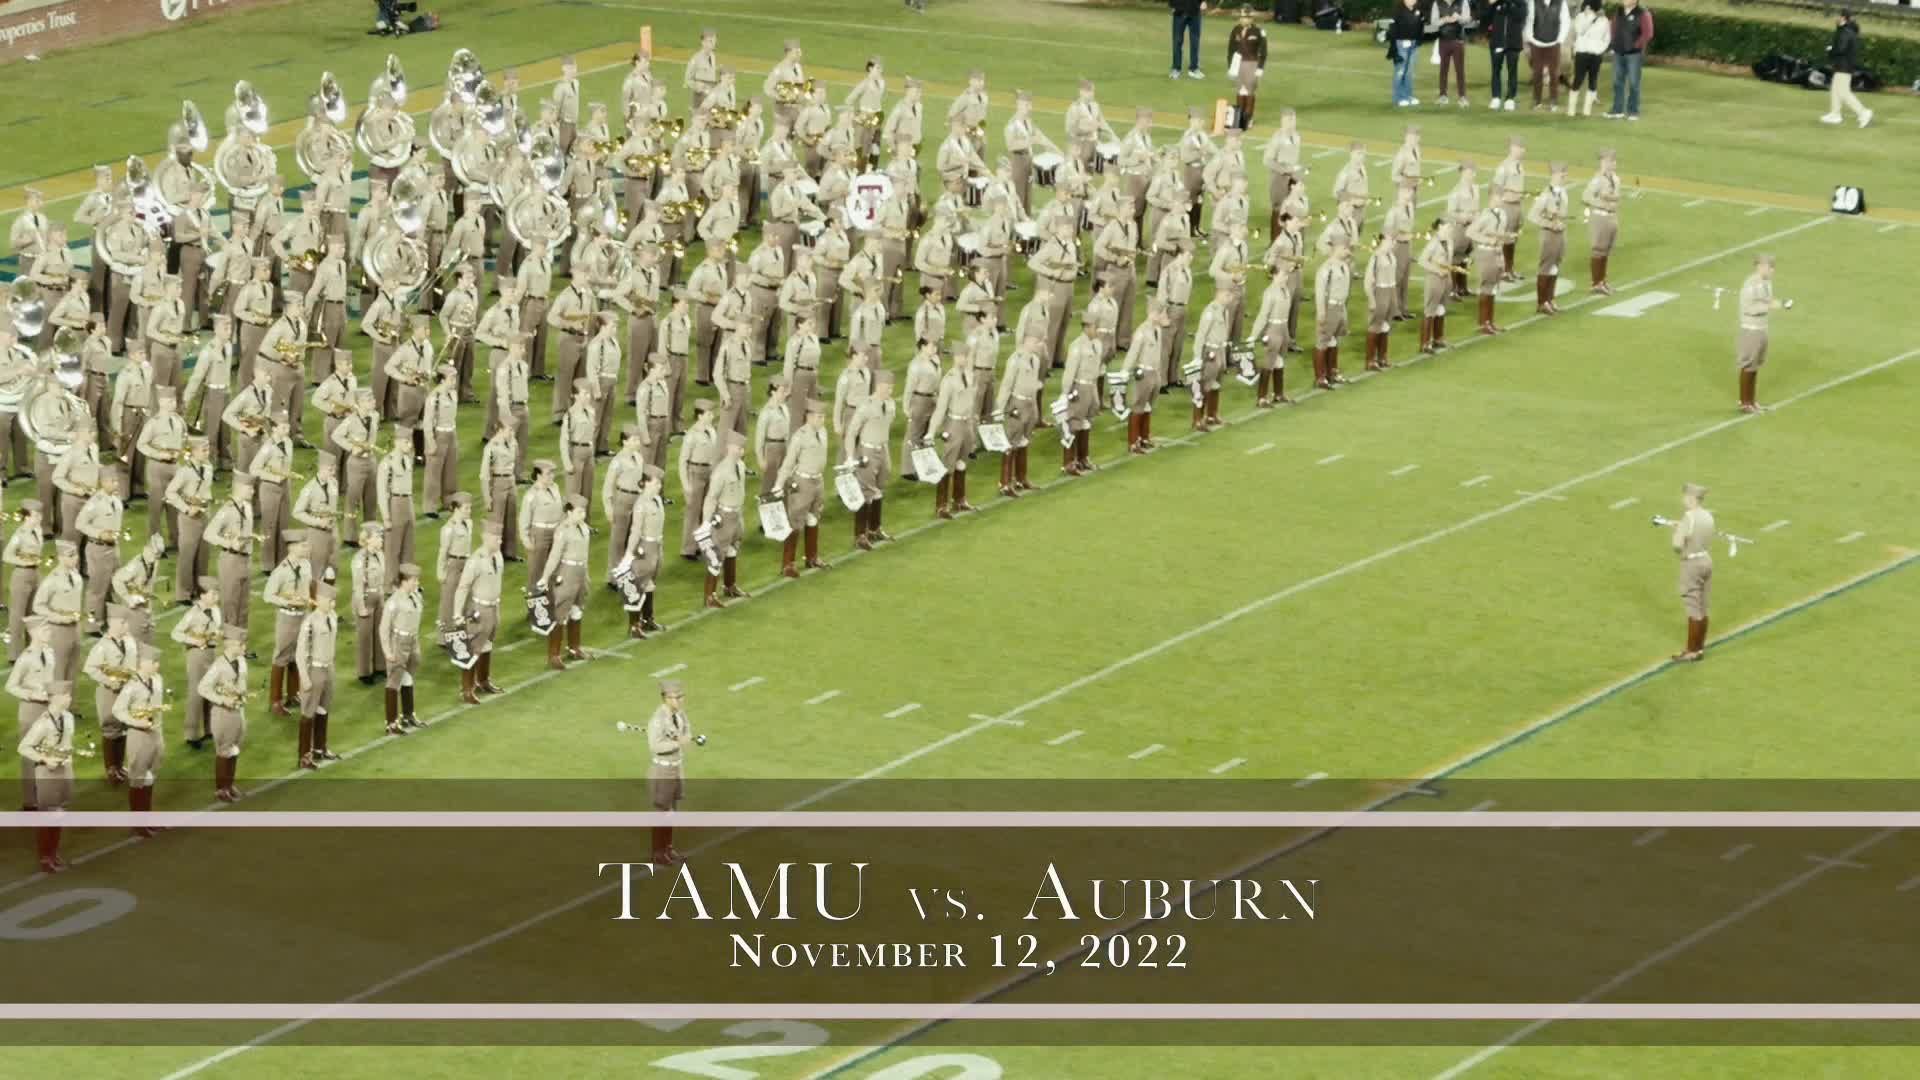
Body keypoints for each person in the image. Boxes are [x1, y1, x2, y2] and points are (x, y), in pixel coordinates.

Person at [18, 681, 77, 872]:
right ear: (55, 698)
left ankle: (53, 853)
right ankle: (45, 858)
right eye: (66, 695)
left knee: (60, 812)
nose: (69, 698)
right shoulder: (42, 723)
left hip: (65, 770)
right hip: (47, 772)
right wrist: (43, 759)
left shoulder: (68, 717)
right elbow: (24, 747)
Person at [774, 401, 832, 576]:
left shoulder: (822, 432)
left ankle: (812, 557)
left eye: (823, 417)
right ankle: (788, 564)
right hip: (803, 481)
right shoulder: (800, 436)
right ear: (809, 417)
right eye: (819, 417)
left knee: (814, 518)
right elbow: (788, 462)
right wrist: (778, 484)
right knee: (795, 522)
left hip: (817, 481)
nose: (822, 420)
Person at [116, 646, 166, 834]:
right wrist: (136, 721)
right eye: (154, 662)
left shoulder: (158, 680)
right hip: (139, 736)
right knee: (138, 779)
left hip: (156, 734)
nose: (157, 665)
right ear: (143, 663)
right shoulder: (131, 687)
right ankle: (138, 824)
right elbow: (118, 710)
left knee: (150, 777)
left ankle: (147, 817)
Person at [646, 679, 694, 864]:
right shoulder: (658, 720)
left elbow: (687, 728)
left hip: (676, 768)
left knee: (672, 811)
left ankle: (668, 848)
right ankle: (658, 852)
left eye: (682, 696)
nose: (680, 700)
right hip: (663, 770)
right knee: (662, 812)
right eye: (677, 697)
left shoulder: (679, 713)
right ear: (666, 698)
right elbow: (655, 746)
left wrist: (686, 736)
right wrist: (677, 742)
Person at [171, 577, 222, 750]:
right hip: (197, 655)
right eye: (213, 594)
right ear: (202, 596)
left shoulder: (214, 610)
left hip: (212, 652)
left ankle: (209, 729)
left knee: (211, 691)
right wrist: (193, 640)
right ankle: (191, 734)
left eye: (217, 593)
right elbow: (176, 633)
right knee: (196, 693)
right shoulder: (193, 614)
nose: (217, 597)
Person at [294, 581, 340, 769]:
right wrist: (304, 677)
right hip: (314, 670)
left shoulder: (333, 616)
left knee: (324, 709)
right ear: (319, 600)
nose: (333, 604)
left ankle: (320, 748)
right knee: (308, 713)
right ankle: (304, 755)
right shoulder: (310, 623)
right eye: (330, 600)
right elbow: (299, 652)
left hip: (328, 669)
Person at [201, 627, 249, 801]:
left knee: (235, 748)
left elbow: (242, 683)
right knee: (224, 750)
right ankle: (221, 789)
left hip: (238, 710)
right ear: (231, 645)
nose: (245, 647)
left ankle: (229, 785)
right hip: (223, 713)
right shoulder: (218, 666)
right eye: (242, 644)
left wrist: (241, 695)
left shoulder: (241, 661)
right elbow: (203, 688)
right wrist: (222, 700)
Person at [1736, 254, 1787, 414]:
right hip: (1751, 329)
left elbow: (1766, 301)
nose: (1771, 270)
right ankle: (1744, 403)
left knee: (1756, 364)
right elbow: (1749, 308)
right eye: (1768, 267)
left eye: (1772, 267)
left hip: (1762, 328)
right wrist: (1769, 307)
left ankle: (1751, 401)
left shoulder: (1766, 283)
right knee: (1748, 364)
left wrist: (1775, 304)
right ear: (1759, 267)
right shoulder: (1751, 284)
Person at [1669, 483, 1714, 662]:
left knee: (1693, 606)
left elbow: (1677, 546)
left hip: (1692, 563)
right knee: (1703, 606)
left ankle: (1691, 651)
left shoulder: (1689, 517)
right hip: (1706, 560)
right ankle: (1700, 648)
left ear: (1691, 498)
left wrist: (1677, 532)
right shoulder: (1708, 515)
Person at [380, 564, 426, 733]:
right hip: (399, 641)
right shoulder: (394, 602)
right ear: (404, 581)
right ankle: (391, 722)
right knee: (394, 680)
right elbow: (384, 628)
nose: (416, 582)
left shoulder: (415, 596)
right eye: (414, 580)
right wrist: (387, 651)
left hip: (413, 640)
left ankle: (408, 715)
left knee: (408, 677)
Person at [1822, 10, 1872, 128]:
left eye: (1838, 16)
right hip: (1844, 65)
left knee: (1843, 92)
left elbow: (1840, 49)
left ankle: (1863, 112)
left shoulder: (1845, 32)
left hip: (1844, 66)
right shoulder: (1848, 31)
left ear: (1843, 18)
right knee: (1835, 89)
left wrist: (1830, 50)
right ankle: (1835, 114)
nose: (1836, 18)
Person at [1583, 148, 1621, 294]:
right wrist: (1601, 203)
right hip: (1600, 216)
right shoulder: (1598, 179)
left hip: (1611, 216)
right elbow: (1586, 196)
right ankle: (1596, 283)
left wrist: (1612, 202)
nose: (1608, 163)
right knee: (1599, 249)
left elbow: (1615, 197)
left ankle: (1602, 281)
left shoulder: (1615, 179)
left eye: (1610, 160)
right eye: (1605, 160)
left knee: (1607, 250)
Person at [1607, 0, 1652, 120]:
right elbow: (1613, 28)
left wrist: (1637, 45)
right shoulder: (1619, 11)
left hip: (1634, 55)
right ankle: (1617, 110)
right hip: (1618, 52)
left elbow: (1648, 33)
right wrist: (1613, 44)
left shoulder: (1643, 13)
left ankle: (1633, 112)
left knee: (1633, 83)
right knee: (1617, 83)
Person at [1525, 0, 1571, 111]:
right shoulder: (1533, 2)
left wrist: (1560, 40)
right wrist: (1531, 39)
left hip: (1554, 43)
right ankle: (1537, 101)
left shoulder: (1561, 3)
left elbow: (1565, 21)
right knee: (1537, 73)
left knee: (1554, 74)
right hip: (1536, 43)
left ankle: (1553, 101)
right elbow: (1529, 21)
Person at [1225, 9, 1269, 128]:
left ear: (1251, 18)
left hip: (1252, 63)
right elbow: (1231, 49)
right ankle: (1239, 118)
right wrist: (1230, 66)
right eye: (1241, 17)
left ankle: (1248, 118)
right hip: (1238, 63)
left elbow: (1263, 51)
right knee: (1240, 91)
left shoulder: (1259, 31)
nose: (1242, 19)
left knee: (1249, 91)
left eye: (1245, 17)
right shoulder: (1236, 30)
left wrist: (1260, 68)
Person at [1483, 0, 1526, 111]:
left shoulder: (1519, 2)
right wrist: (1491, 5)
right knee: (1496, 70)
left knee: (1512, 71)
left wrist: (1509, 4)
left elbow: (1521, 16)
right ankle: (1496, 97)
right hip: (1497, 41)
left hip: (1513, 42)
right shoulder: (1496, 4)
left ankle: (1510, 98)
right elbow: (1485, 18)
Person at [1569, 0, 1609, 117]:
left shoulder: (1604, 20)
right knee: (1578, 79)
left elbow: (1606, 38)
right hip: (1582, 52)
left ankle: (1587, 110)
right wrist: (1589, 17)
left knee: (1593, 80)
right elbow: (1580, 31)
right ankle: (1571, 110)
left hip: (1595, 54)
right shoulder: (1580, 17)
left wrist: (1600, 49)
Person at [1432, 0, 1471, 105]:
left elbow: (1467, 19)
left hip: (1458, 40)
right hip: (1443, 40)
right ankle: (1443, 96)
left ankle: (1462, 97)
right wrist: (1444, 19)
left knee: (1460, 70)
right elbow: (1434, 21)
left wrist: (1458, 17)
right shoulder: (1438, 3)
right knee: (1443, 69)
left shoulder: (1463, 2)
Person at [1387, 0, 1424, 107]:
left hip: (1414, 44)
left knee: (1410, 71)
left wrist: (1419, 39)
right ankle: (1399, 97)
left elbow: (1420, 27)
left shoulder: (1418, 11)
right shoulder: (1398, 11)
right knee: (1400, 71)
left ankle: (1408, 95)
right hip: (1401, 43)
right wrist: (1394, 48)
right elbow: (1393, 30)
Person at [1170, 0, 1207, 79]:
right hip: (1179, 10)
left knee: (1195, 42)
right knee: (1177, 41)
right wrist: (1172, 4)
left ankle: (1194, 69)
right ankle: (1176, 69)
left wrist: (1203, 1)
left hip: (1195, 10)